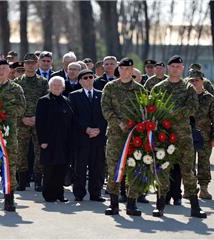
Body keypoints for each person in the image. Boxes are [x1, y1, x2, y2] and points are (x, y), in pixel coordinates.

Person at [151, 55, 206, 218]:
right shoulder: (159, 87)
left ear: (182, 69)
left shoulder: (188, 88)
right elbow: (151, 108)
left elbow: (193, 108)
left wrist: (171, 113)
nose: (175, 69)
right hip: (164, 136)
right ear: (168, 68)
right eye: (172, 66)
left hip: (183, 137)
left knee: (188, 170)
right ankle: (160, 205)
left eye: (178, 67)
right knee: (162, 169)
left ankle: (195, 206)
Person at [101, 57, 146, 216]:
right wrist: (117, 122)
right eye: (122, 68)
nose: (125, 71)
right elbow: (106, 108)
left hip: (135, 137)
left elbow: (145, 111)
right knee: (114, 169)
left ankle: (131, 204)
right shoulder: (110, 87)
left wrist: (140, 126)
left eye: (128, 69)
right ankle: (113, 204)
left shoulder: (139, 89)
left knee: (134, 169)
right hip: (115, 135)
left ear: (132, 70)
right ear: (118, 70)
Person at [0, 59, 26, 211]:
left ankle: (9, 199)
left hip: (9, 133)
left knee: (9, 165)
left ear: (10, 71)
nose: (2, 71)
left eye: (5, 68)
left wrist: (4, 112)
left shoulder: (16, 88)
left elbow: (21, 108)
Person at [69, 69, 107, 202]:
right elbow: (73, 117)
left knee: (97, 167)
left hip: (98, 136)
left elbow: (106, 115)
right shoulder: (74, 96)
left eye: (91, 77)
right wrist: (86, 129)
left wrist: (98, 129)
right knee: (80, 167)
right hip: (81, 137)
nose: (89, 79)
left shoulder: (102, 95)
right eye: (85, 78)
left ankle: (95, 193)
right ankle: (79, 193)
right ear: (80, 81)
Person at [35, 76, 74, 202]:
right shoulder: (43, 101)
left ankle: (60, 194)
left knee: (61, 169)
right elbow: (39, 123)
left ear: (63, 87)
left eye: (59, 85)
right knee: (50, 169)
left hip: (64, 141)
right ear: (50, 87)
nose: (57, 87)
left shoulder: (67, 101)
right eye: (54, 85)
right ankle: (49, 195)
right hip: (49, 141)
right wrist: (42, 141)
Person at [14, 53, 49, 192]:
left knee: (39, 151)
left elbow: (46, 103)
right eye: (27, 63)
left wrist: (37, 118)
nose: (30, 65)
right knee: (20, 152)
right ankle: (22, 182)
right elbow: (14, 103)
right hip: (21, 122)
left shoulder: (43, 82)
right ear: (23, 65)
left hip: (38, 122)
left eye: (32, 63)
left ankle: (38, 181)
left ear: (37, 64)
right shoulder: (17, 83)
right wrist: (22, 118)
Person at [188, 69, 214, 200]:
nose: (194, 82)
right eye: (192, 80)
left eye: (197, 80)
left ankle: (204, 189)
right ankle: (190, 190)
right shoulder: (186, 97)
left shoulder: (209, 98)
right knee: (188, 163)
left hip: (205, 136)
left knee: (203, 163)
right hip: (188, 135)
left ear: (203, 81)